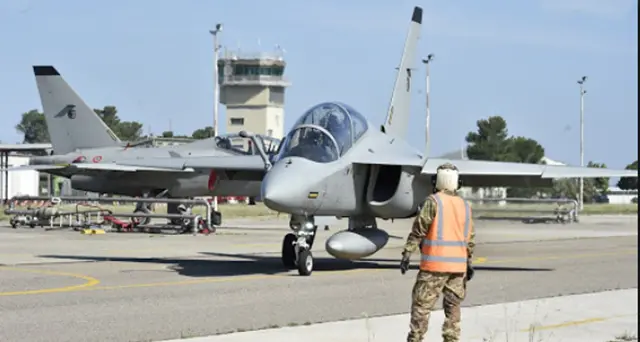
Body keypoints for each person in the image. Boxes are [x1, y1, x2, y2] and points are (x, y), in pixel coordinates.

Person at [400, 162, 476, 342]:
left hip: (434, 267)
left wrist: (407, 253)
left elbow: (419, 229)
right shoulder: (464, 206)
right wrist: (469, 262)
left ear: (437, 181)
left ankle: (415, 339)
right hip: (458, 269)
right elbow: (469, 239)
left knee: (421, 308)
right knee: (453, 310)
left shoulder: (433, 202)